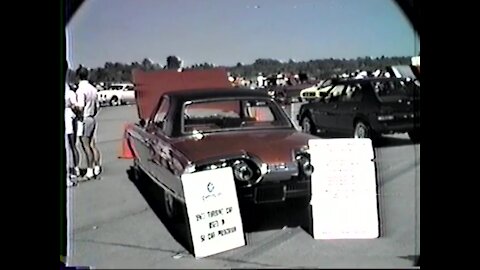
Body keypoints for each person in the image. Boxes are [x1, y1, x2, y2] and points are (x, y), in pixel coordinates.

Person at [76, 67, 101, 180]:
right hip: (92, 117)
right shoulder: (93, 89)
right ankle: (96, 166)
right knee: (92, 144)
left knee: (85, 145)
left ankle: (89, 170)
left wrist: (74, 107)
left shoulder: (80, 90)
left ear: (78, 76)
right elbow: (97, 106)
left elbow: (80, 107)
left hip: (84, 118)